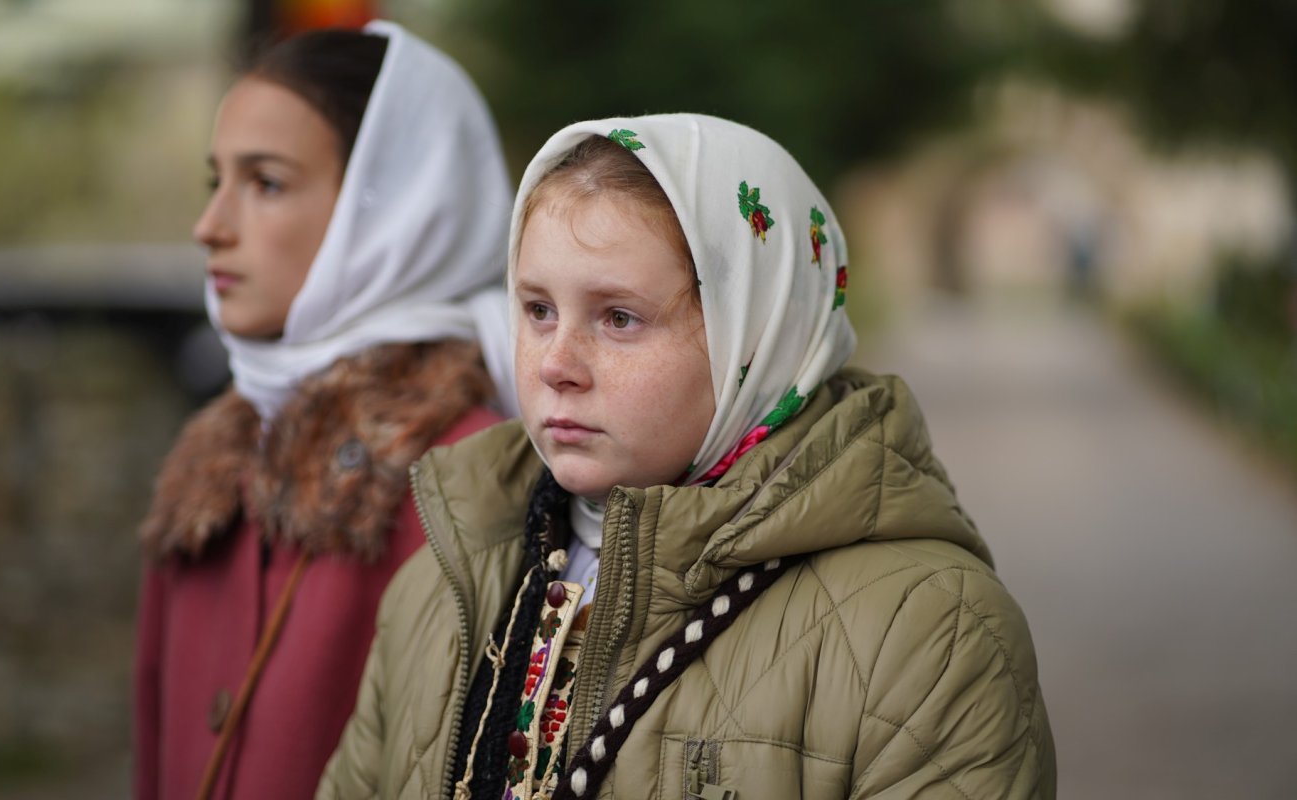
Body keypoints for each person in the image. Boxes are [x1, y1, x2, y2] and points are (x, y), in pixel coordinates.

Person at [318, 114, 1057, 799]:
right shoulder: (442, 584)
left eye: (619, 317)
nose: (556, 363)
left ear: (756, 336)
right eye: (537, 309)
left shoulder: (932, 634)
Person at [134, 21, 516, 800]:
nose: (211, 227)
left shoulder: (466, 480)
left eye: (266, 182)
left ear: (391, 213)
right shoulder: (210, 473)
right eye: (218, 182)